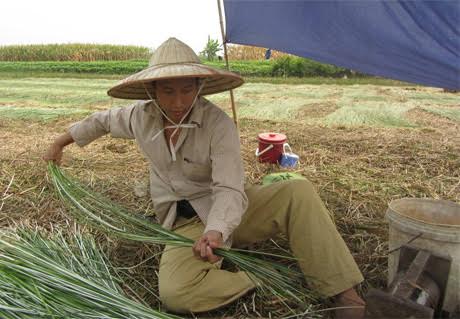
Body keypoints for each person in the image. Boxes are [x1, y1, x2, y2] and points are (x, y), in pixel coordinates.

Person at [44, 37, 365, 318]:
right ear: (152, 90)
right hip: (184, 224)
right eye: (168, 90)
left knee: (297, 189)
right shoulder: (139, 117)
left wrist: (216, 231)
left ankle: (343, 291)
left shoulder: (218, 125)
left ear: (199, 87)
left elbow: (229, 187)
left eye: (187, 89)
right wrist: (60, 142)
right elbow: (101, 121)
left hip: (230, 211)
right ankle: (260, 277)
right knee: (176, 295)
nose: (179, 101)